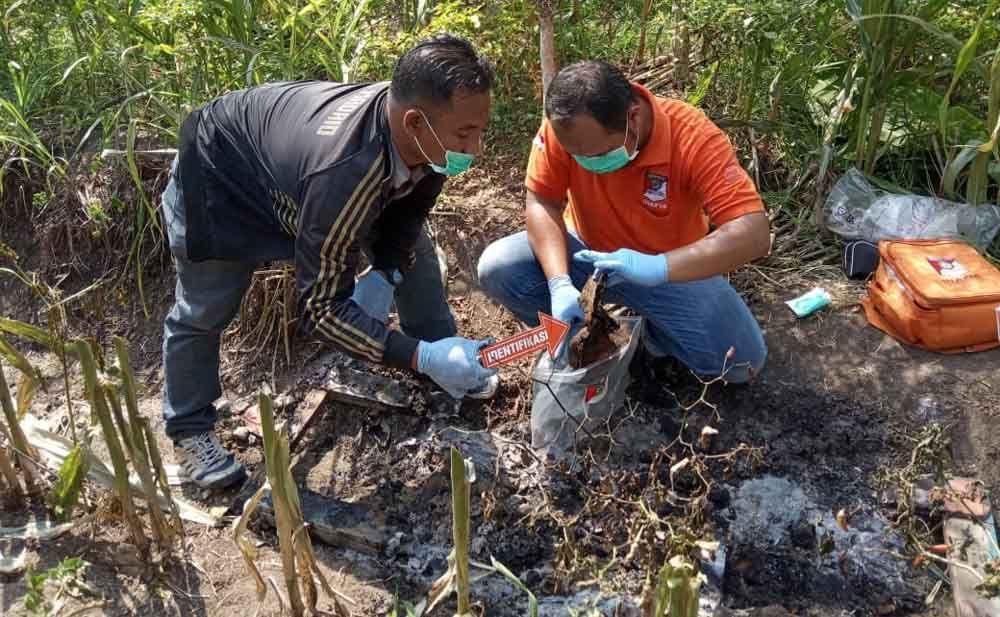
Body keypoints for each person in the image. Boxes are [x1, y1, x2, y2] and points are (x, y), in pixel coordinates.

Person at [161, 34, 498, 489]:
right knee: (205, 306)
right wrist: (417, 357)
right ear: (415, 122)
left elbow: (409, 212)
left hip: (292, 170)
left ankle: (449, 360)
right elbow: (319, 309)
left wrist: (387, 271)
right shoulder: (346, 171)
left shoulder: (419, 130)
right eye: (465, 134)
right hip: (219, 172)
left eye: (480, 131)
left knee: (412, 251)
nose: (475, 148)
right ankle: (189, 430)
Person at [478, 60, 769, 384]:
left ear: (633, 117)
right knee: (500, 266)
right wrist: (559, 282)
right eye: (576, 157)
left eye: (598, 155)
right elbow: (542, 201)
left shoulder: (691, 136)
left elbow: (753, 233)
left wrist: (658, 267)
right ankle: (587, 343)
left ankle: (651, 341)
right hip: (587, 257)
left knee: (741, 362)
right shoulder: (567, 129)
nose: (586, 163)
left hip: (670, 271)